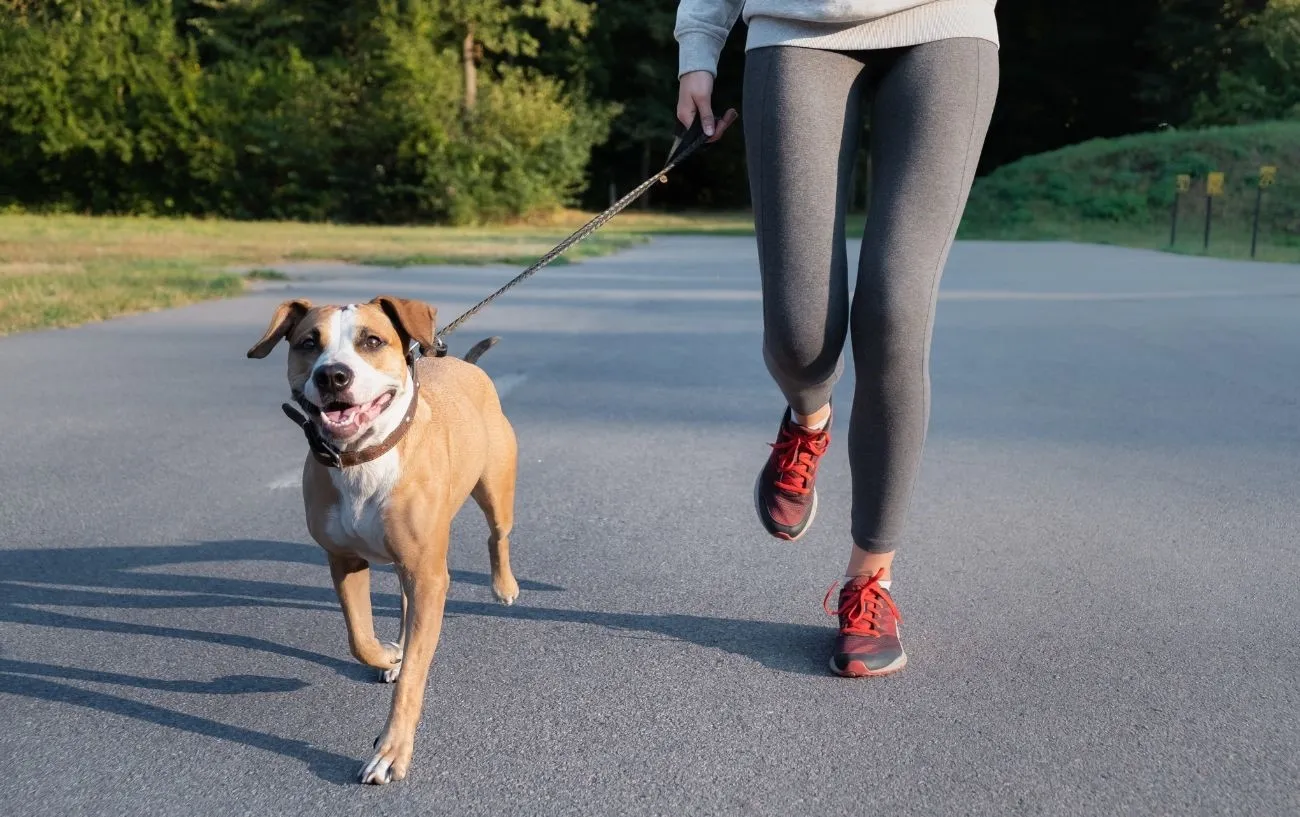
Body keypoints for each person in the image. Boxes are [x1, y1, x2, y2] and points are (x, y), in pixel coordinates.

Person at [673, 0, 999, 677]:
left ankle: (868, 582)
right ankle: (807, 419)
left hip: (947, 27)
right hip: (795, 28)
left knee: (895, 311)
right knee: (801, 335)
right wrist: (699, 48)